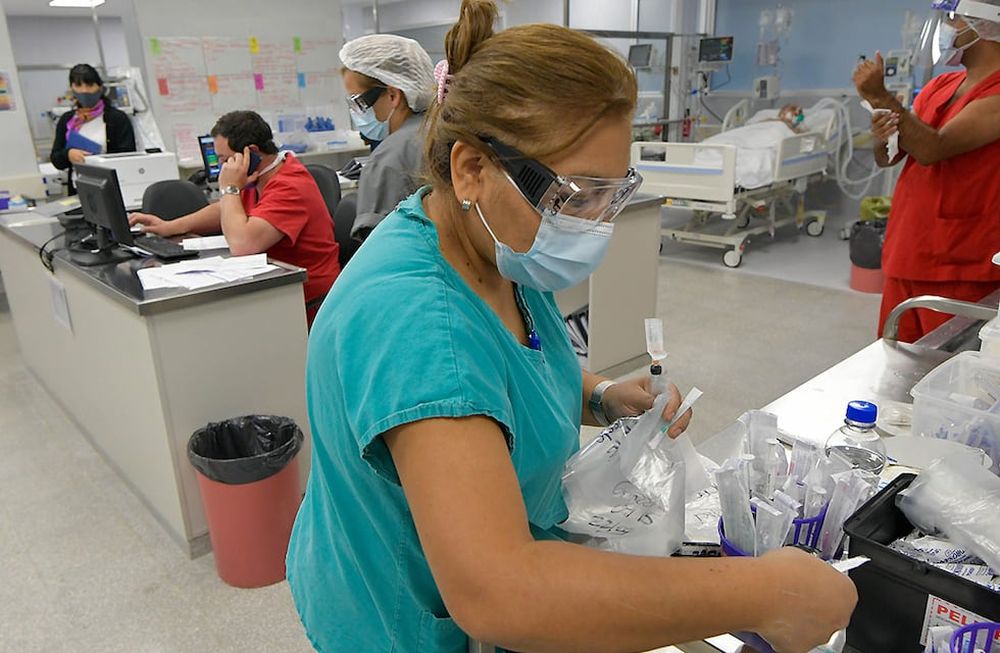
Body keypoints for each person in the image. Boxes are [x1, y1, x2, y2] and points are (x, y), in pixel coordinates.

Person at [286, 2, 857, 652]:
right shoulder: (415, 324)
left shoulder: (486, 241)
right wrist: (765, 593)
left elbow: (511, 354)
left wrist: (599, 395)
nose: (593, 225)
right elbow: (500, 590)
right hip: (403, 615)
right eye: (574, 196)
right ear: (471, 167)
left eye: (610, 195)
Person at [854, 0, 1000, 342]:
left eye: (954, 19)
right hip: (907, 251)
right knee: (895, 370)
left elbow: (933, 148)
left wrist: (881, 95)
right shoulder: (939, 87)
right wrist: (881, 121)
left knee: (948, 381)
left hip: (960, 263)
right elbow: (889, 156)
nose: (947, 28)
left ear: (987, 27)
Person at [129, 111, 340, 327]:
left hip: (308, 301)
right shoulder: (258, 177)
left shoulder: (289, 185)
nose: (223, 167)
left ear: (252, 153)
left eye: (225, 159)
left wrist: (229, 187)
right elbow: (227, 209)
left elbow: (243, 244)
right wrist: (169, 227)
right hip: (276, 286)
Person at [339, 34, 435, 241]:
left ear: (393, 95)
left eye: (358, 102)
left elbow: (380, 252)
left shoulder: (388, 161)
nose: (356, 113)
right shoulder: (449, 130)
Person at [50, 64, 136, 195]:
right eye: (78, 86)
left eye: (89, 86)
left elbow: (128, 155)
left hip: (111, 188)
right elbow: (56, 159)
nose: (84, 91)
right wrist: (68, 154)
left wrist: (100, 159)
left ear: (100, 87)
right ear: (72, 88)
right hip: (78, 189)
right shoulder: (67, 120)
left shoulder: (117, 118)